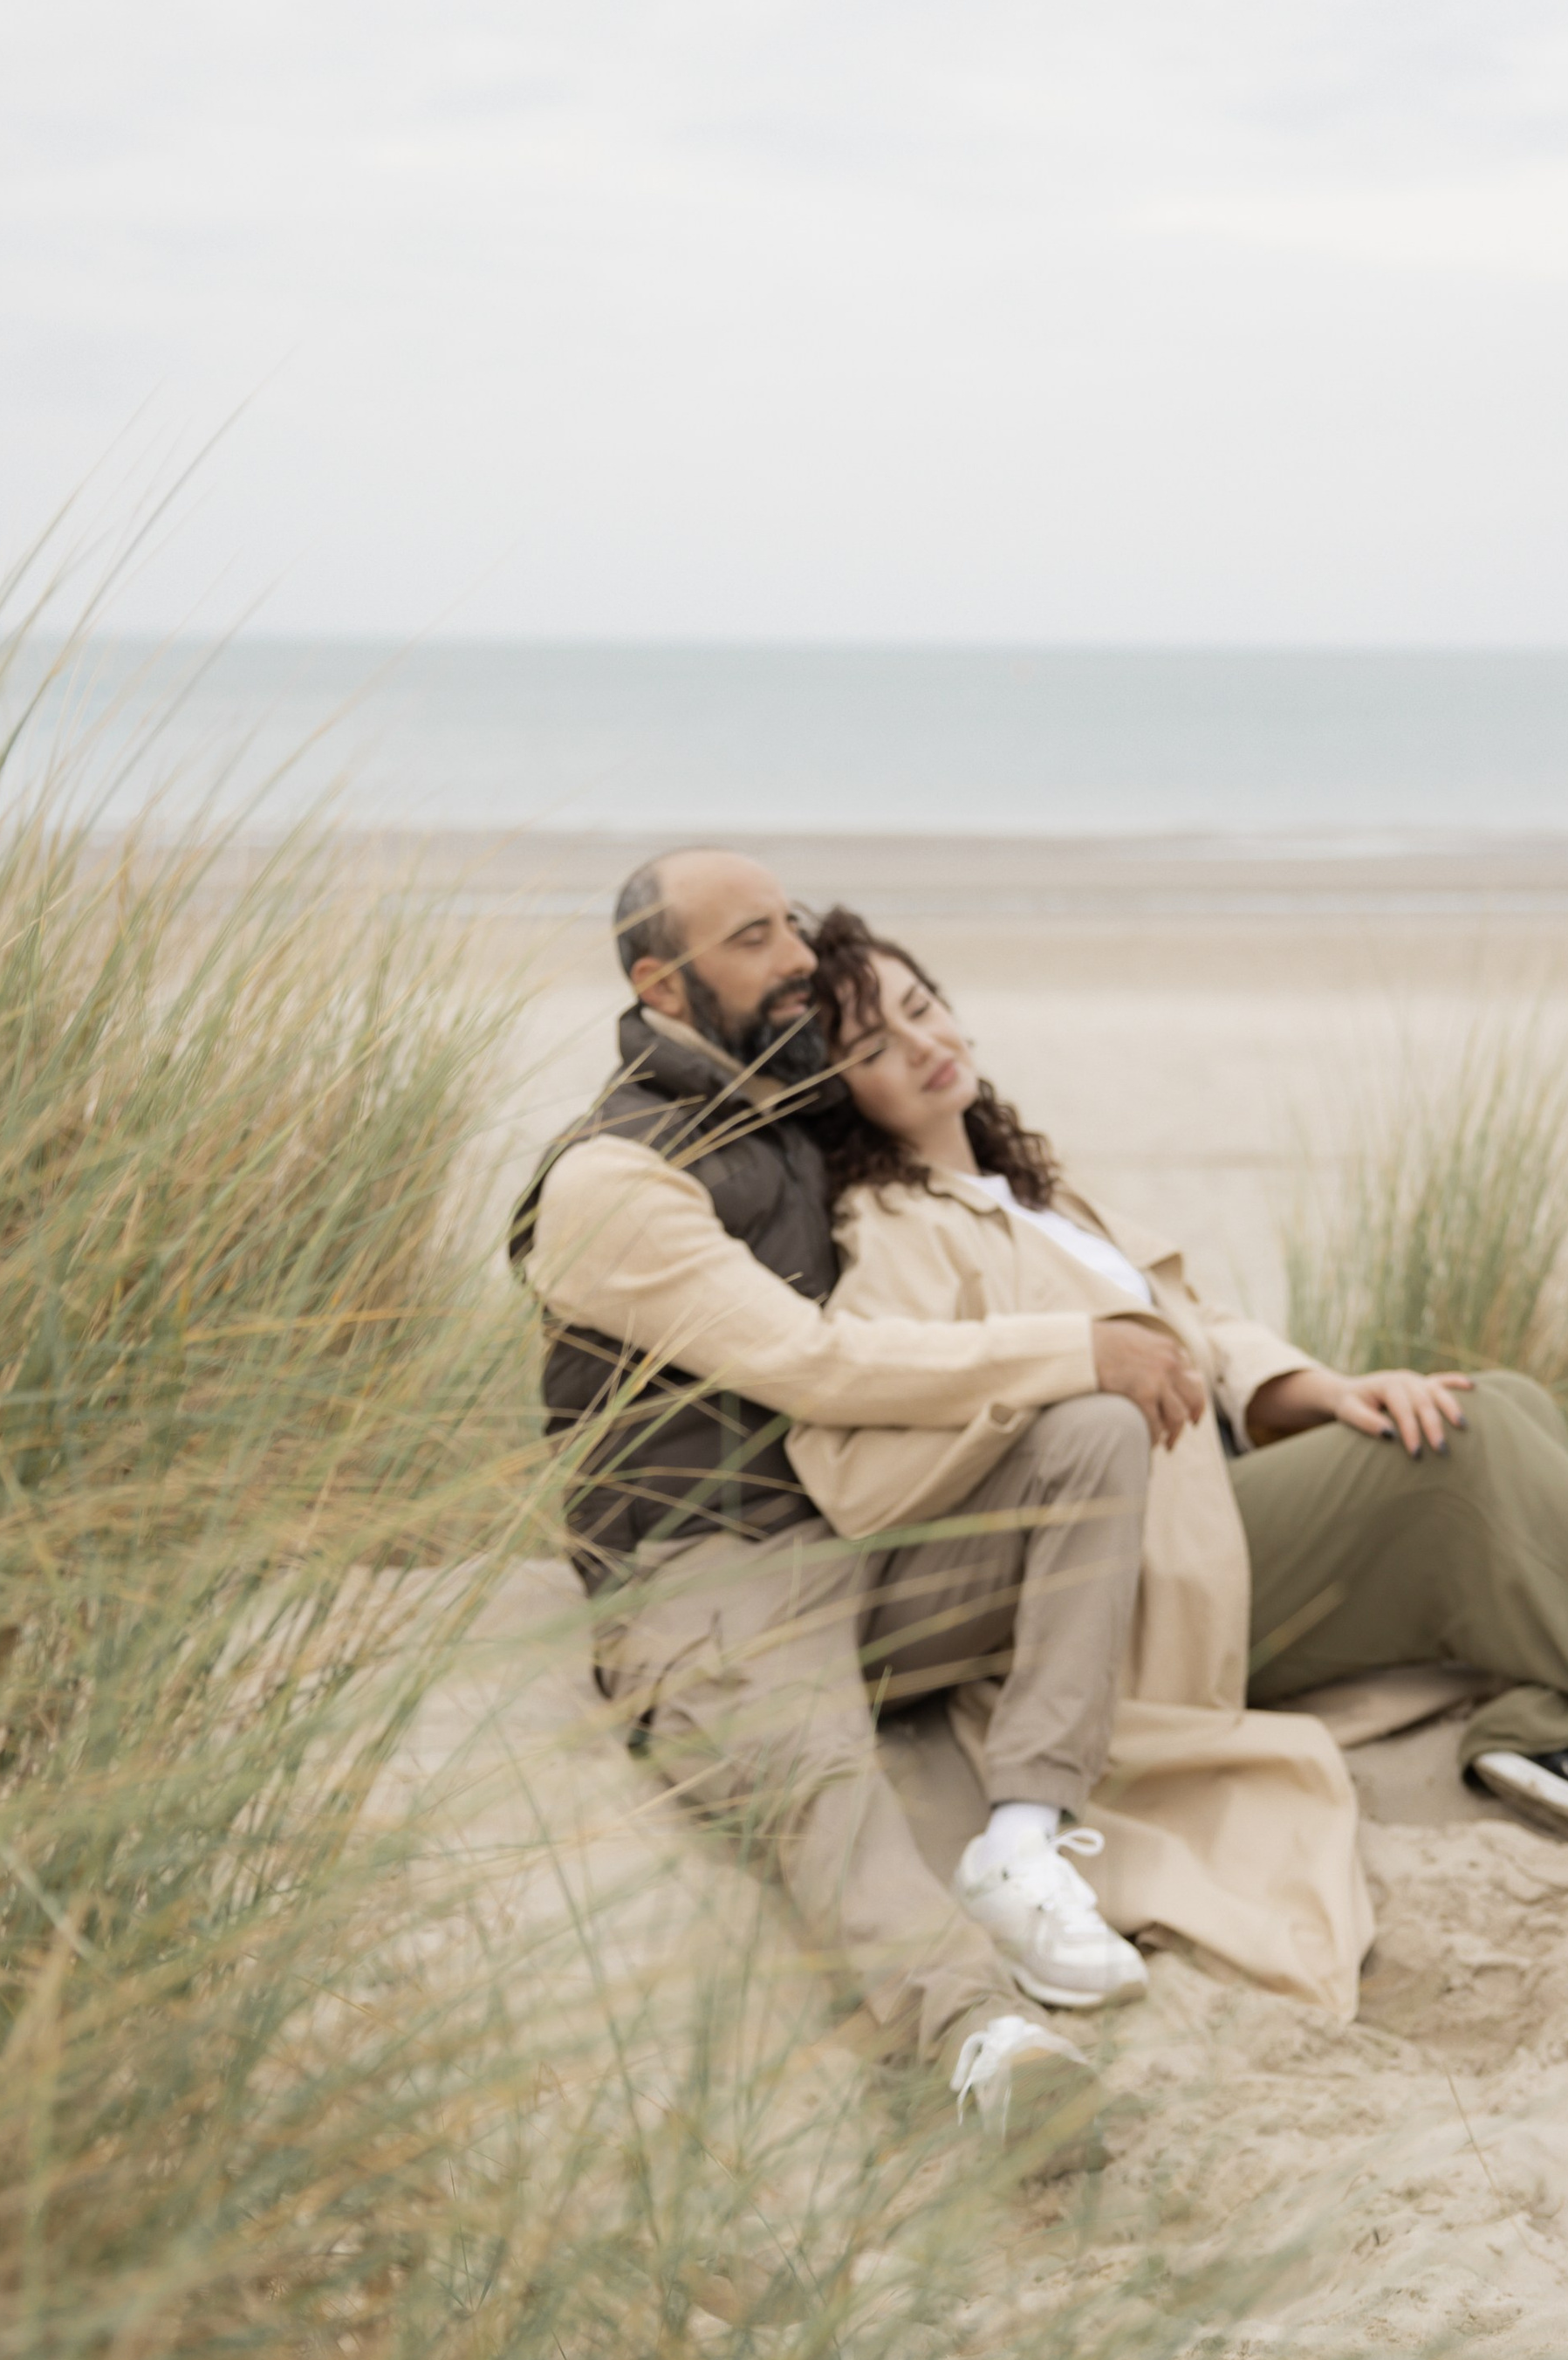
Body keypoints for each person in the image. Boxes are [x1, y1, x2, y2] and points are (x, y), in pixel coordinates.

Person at [784, 908, 1568, 2020]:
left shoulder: (1030, 1183)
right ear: (843, 1093)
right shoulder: (886, 1223)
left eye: (923, 1005)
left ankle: (1542, 1727)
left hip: (1217, 1504)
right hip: (1147, 1569)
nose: (924, 1043)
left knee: (1493, 1404)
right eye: (877, 1046)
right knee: (1462, 1455)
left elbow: (1202, 1334)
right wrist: (1071, 1359)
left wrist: (1323, 1390)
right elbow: (906, 1382)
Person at [510, 846, 1208, 2166]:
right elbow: (807, 1365)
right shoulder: (613, 1179)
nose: (794, 963)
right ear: (661, 981)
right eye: (754, 940)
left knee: (1089, 1437)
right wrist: (1077, 1344)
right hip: (709, 1564)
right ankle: (980, 2045)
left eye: (792, 930)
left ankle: (1022, 1837)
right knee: (821, 1776)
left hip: (869, 1548)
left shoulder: (790, 1118)